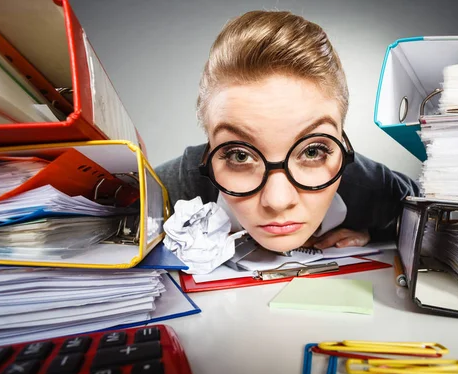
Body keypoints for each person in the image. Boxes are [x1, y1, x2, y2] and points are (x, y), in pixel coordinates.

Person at [156, 10, 419, 254]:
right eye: (239, 156)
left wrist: (376, 231)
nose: (278, 201)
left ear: (343, 144)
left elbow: (430, 212)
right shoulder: (176, 185)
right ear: (208, 152)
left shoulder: (369, 187)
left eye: (312, 151)